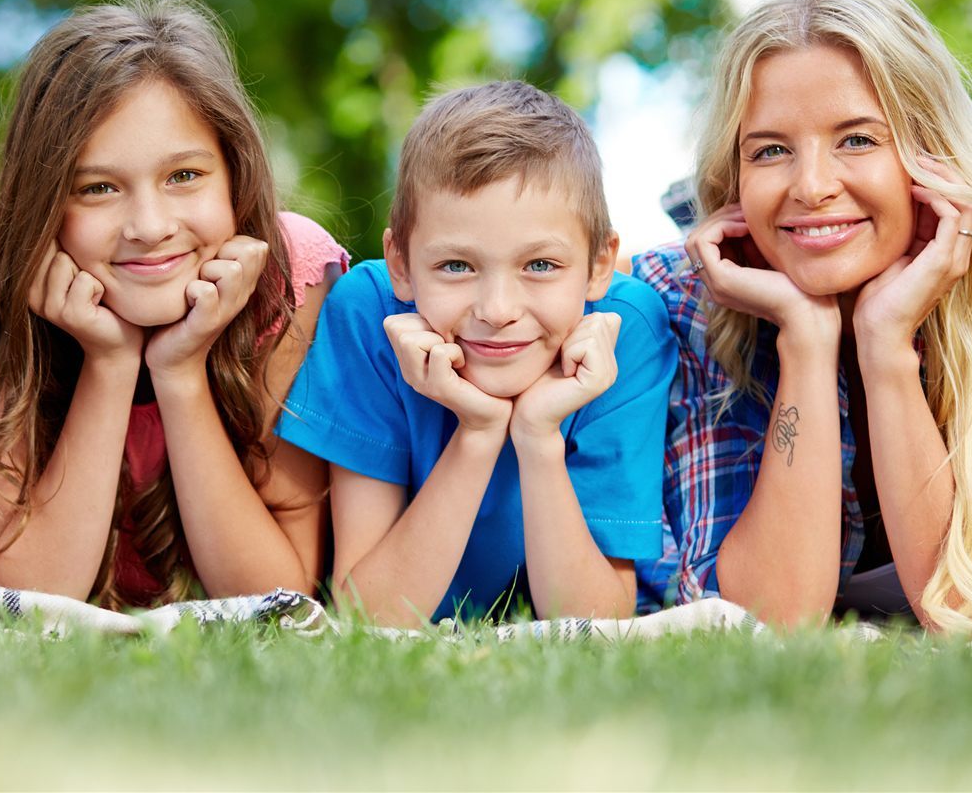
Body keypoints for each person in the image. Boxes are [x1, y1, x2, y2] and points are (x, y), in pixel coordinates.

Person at [635, 0, 972, 634]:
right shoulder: (686, 295)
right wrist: (805, 342)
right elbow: (768, 620)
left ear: (931, 154)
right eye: (770, 150)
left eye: (858, 140)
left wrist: (886, 344)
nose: (812, 187)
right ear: (736, 174)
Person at [0, 0, 346, 606]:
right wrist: (109, 364)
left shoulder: (291, 273)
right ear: (44, 203)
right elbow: (30, 595)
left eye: (184, 176)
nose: (149, 225)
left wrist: (181, 369)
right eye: (97, 188)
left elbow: (274, 597)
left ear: (234, 176)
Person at [278, 82, 677, 626]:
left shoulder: (624, 332)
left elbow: (597, 623)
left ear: (600, 264)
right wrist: (479, 432)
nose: (497, 309)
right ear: (400, 263)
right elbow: (366, 619)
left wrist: (537, 437)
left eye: (539, 265)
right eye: (456, 266)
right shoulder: (371, 316)